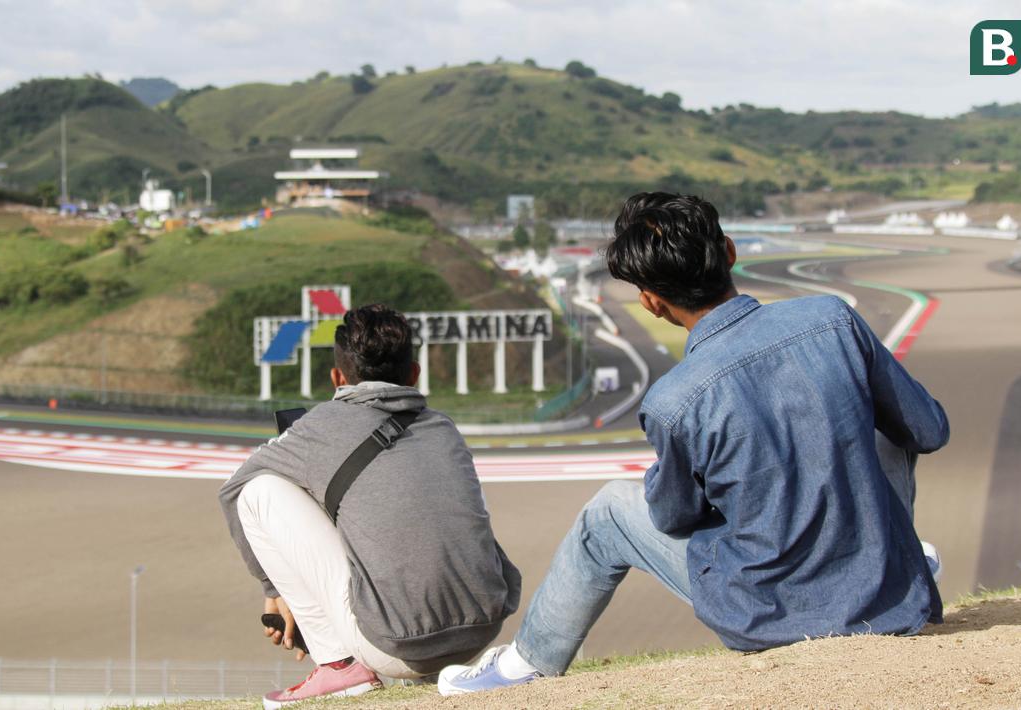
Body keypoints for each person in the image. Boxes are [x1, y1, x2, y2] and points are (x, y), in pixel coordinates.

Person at [438, 192, 949, 695]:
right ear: (729, 251)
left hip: (766, 616)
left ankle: (526, 663)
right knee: (880, 420)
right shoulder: (834, 319)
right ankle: (896, 563)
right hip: (887, 597)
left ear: (651, 302)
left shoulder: (673, 400)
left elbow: (674, 517)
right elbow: (928, 430)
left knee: (609, 512)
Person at [219, 304, 520, 708]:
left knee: (258, 493)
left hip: (396, 648)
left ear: (337, 379)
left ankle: (340, 669)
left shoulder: (321, 426)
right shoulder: (444, 427)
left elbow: (233, 490)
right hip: (482, 631)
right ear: (414, 374)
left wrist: (275, 592)